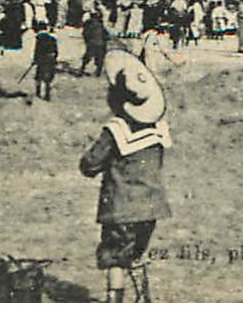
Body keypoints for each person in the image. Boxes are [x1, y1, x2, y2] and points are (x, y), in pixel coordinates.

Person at [80, 50, 171, 303]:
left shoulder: (115, 130)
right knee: (136, 252)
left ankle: (114, 302)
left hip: (122, 207)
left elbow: (90, 163)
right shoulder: (159, 130)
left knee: (115, 257)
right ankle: (142, 298)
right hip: (151, 206)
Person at [31, 23, 59, 101]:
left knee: (39, 77)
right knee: (48, 78)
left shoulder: (39, 38)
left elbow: (37, 51)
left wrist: (35, 60)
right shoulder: (53, 38)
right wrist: (54, 59)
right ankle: (47, 95)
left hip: (42, 60)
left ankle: (38, 92)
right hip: (50, 60)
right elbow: (56, 52)